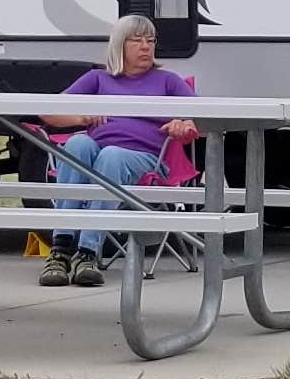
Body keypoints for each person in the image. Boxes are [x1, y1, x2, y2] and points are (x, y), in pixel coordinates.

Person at [41, 14, 198, 287]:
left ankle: (87, 253)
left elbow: (206, 117)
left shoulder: (168, 82)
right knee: (78, 144)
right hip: (98, 156)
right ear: (119, 46)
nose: (146, 47)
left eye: (150, 40)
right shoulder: (97, 79)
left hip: (148, 161)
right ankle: (61, 249)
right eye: (137, 41)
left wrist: (183, 123)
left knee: (111, 155)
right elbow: (48, 112)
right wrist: (82, 118)